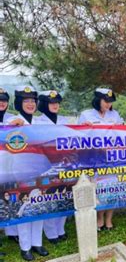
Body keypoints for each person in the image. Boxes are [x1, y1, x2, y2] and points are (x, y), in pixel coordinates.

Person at [6, 85, 49, 261]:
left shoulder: (40, 122)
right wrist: (10, 127)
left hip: (39, 169)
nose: (30, 104)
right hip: (19, 171)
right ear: (18, 103)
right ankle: (25, 247)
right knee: (23, 207)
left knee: (38, 204)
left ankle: (37, 242)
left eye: (33, 101)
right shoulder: (12, 121)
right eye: (26, 101)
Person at [78, 88, 123, 230]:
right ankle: (99, 219)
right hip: (93, 158)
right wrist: (83, 128)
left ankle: (109, 220)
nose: (108, 105)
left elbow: (122, 134)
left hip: (111, 157)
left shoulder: (114, 115)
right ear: (98, 100)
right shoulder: (86, 115)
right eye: (106, 101)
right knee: (97, 189)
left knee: (111, 188)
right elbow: (78, 137)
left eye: (110, 102)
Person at [37, 90, 69, 244]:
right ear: (44, 104)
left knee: (63, 195)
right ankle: (51, 233)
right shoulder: (37, 122)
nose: (55, 105)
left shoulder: (64, 120)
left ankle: (61, 229)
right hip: (46, 166)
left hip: (64, 164)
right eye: (51, 102)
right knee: (50, 197)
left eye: (57, 102)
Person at [0, 88, 19, 247]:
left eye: (4, 100)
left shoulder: (12, 118)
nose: (2, 103)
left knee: (10, 199)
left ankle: (12, 232)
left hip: (8, 166)